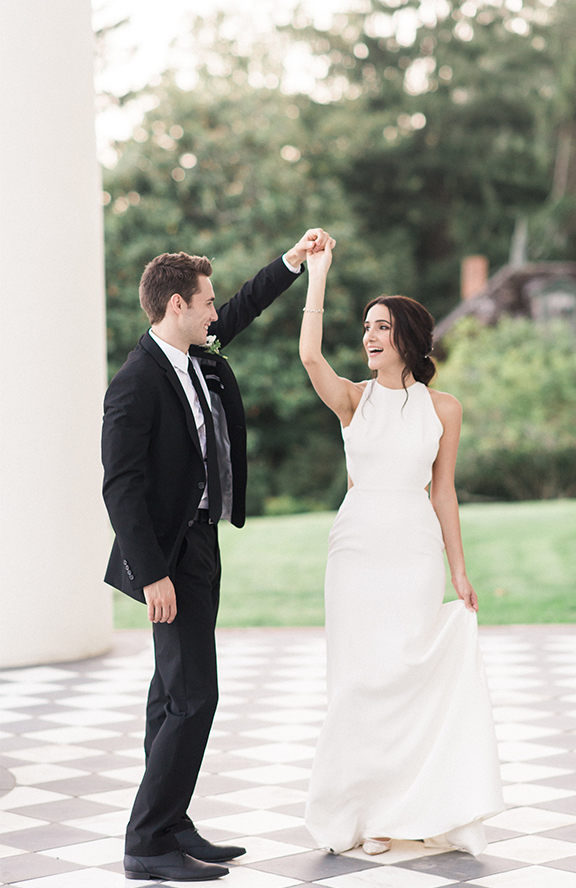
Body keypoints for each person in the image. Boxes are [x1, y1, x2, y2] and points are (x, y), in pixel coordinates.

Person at [102, 228, 331, 882]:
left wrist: (292, 262)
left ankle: (170, 822)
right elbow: (120, 484)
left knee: (170, 694)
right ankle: (147, 841)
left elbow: (242, 309)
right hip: (167, 559)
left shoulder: (197, 355)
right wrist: (152, 575)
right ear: (177, 306)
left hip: (200, 543)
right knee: (195, 696)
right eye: (204, 303)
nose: (214, 312)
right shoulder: (137, 380)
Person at [299, 239, 504, 857]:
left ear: (409, 338)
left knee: (405, 671)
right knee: (359, 678)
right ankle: (365, 809)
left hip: (415, 551)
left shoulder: (445, 409)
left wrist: (460, 571)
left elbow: (444, 492)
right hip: (356, 550)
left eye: (382, 328)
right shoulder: (354, 399)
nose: (369, 338)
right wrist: (319, 274)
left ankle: (406, 806)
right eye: (366, 328)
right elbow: (310, 355)